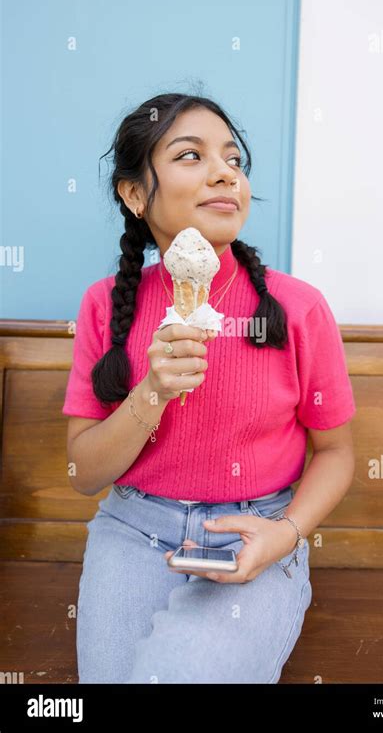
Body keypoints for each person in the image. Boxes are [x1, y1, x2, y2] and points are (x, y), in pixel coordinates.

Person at [62, 92, 356, 684]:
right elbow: (86, 474)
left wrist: (284, 537)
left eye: (233, 159)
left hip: (256, 529)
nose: (225, 172)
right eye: (190, 155)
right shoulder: (102, 306)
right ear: (135, 194)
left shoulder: (299, 308)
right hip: (133, 531)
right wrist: (151, 393)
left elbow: (337, 452)